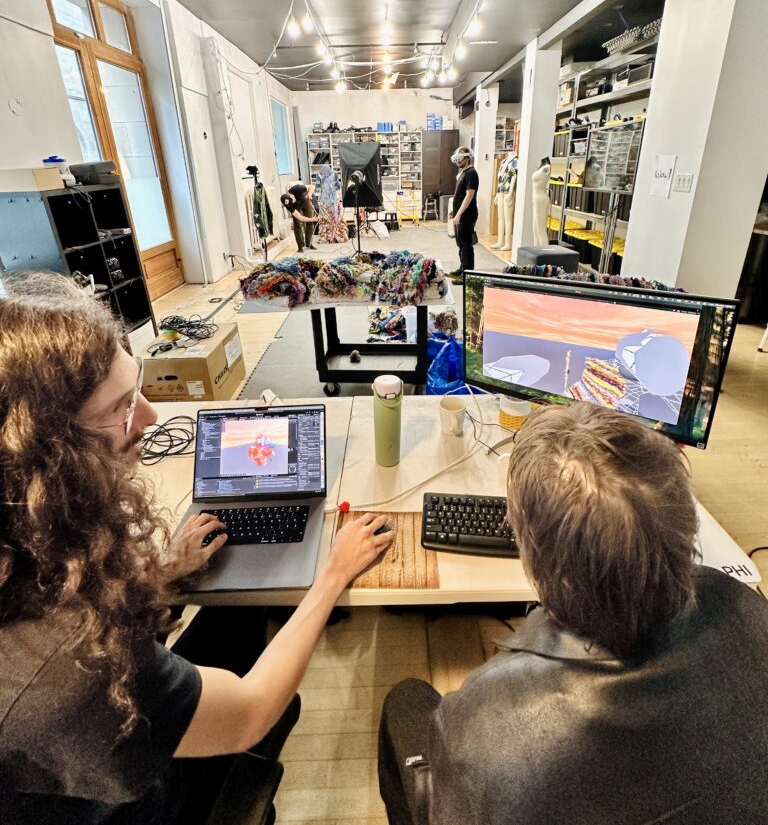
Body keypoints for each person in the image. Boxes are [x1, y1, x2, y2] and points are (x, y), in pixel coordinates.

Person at [0, 272, 394, 825]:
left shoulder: (20, 540)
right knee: (270, 681)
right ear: (51, 453)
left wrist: (164, 573)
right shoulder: (65, 671)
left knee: (237, 610)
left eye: (137, 392)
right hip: (140, 806)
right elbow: (253, 710)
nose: (150, 418)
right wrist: (331, 573)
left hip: (75, 763)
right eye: (120, 408)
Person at [378, 402, 768, 825]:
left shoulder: (481, 721)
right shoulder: (747, 606)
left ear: (532, 554)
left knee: (406, 700)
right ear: (685, 523)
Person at [447, 147, 478, 281]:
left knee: (466, 244)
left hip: (467, 215)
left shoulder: (471, 173)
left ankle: (468, 275)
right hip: (460, 214)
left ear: (467, 158)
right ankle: (462, 269)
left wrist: (459, 214)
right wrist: (454, 212)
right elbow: (459, 196)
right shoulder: (463, 173)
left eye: (460, 159)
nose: (458, 162)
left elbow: (469, 195)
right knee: (460, 243)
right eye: (456, 159)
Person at [281, 182, 319, 252]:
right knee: (297, 224)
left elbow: (312, 186)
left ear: (291, 195)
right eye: (292, 202)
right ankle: (300, 246)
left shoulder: (296, 188)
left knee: (310, 223)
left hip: (305, 200)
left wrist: (309, 194)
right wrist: (312, 219)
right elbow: (300, 217)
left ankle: (309, 243)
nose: (293, 201)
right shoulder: (289, 206)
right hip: (297, 207)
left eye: (293, 200)